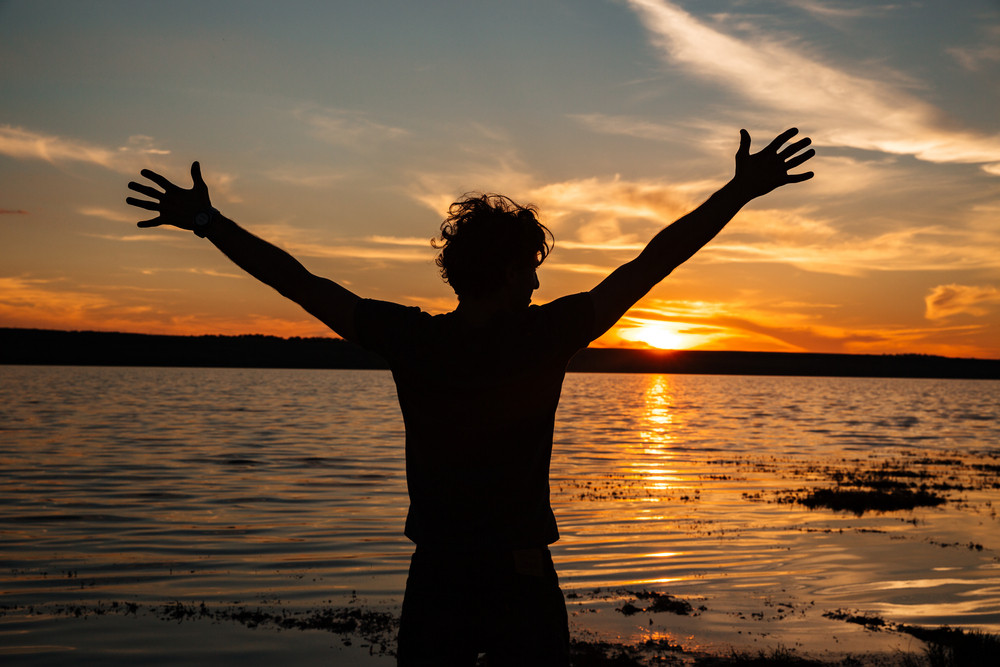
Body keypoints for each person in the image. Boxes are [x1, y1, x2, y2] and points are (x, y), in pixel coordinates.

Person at [126, 127, 815, 665]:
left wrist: (211, 224)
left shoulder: (413, 338)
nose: (539, 285)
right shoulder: (546, 333)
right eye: (532, 271)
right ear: (511, 272)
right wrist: (738, 191)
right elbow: (655, 261)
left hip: (438, 576)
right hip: (518, 576)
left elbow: (297, 281)